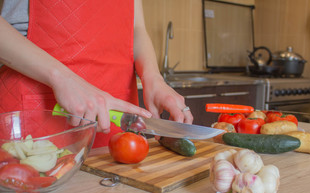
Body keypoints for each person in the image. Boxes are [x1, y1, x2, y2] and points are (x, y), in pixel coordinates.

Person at [0, 0, 193, 148]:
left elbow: (136, 28)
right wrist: (60, 77)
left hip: (115, 119)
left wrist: (153, 77)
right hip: (38, 111)